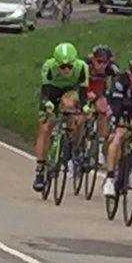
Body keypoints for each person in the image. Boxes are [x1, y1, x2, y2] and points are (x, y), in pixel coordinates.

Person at [33, 43, 89, 192]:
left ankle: (72, 146)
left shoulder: (82, 67)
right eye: (62, 67)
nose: (66, 70)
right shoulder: (48, 67)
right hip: (51, 91)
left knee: (71, 106)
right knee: (45, 128)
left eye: (69, 66)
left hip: (70, 91)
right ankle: (40, 167)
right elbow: (45, 93)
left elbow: (83, 92)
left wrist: (84, 106)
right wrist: (48, 105)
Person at [102, 56, 132, 198]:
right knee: (119, 136)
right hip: (119, 107)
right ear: (130, 75)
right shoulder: (120, 81)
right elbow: (116, 108)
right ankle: (110, 178)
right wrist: (114, 126)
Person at [84, 44, 117, 155]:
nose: (102, 65)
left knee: (103, 113)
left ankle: (100, 148)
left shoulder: (111, 68)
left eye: (105, 62)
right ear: (93, 59)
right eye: (99, 61)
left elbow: (117, 81)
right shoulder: (85, 65)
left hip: (99, 91)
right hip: (85, 88)